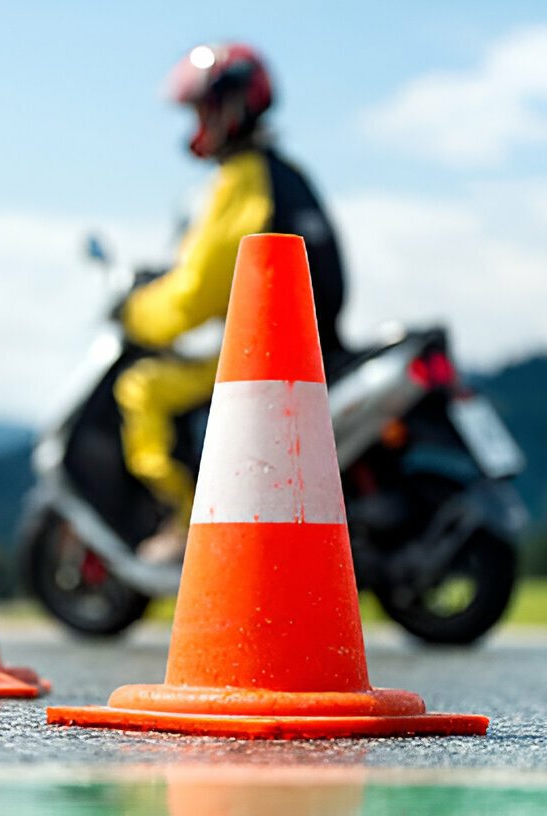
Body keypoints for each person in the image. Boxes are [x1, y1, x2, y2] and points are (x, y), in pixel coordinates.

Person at [116, 42, 347, 561]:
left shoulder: (242, 179)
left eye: (201, 109)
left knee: (142, 390)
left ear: (230, 107)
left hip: (267, 357)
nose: (197, 122)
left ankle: (186, 525)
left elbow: (197, 292)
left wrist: (137, 315)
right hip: (315, 347)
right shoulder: (287, 174)